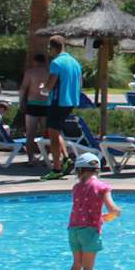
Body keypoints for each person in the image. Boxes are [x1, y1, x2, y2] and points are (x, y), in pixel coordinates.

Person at [66, 152, 119, 270]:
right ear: (98, 170)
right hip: (89, 231)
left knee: (76, 264)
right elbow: (112, 208)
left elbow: (83, 208)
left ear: (79, 170)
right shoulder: (102, 187)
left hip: (73, 229)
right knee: (88, 266)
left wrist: (100, 216)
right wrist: (115, 212)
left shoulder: (76, 187)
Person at [44, 36, 84, 179]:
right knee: (56, 130)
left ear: (52, 48)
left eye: (49, 48)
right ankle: (66, 159)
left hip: (58, 101)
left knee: (52, 134)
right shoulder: (75, 62)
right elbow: (80, 84)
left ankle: (56, 168)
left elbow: (50, 84)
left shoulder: (56, 63)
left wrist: (43, 89)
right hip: (71, 101)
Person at [19, 52, 52, 166]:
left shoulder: (30, 72)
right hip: (46, 104)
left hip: (32, 103)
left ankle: (30, 159)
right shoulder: (49, 73)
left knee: (30, 133)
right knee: (46, 133)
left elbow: (23, 88)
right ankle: (46, 158)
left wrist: (21, 102)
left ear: (34, 61)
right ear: (44, 62)